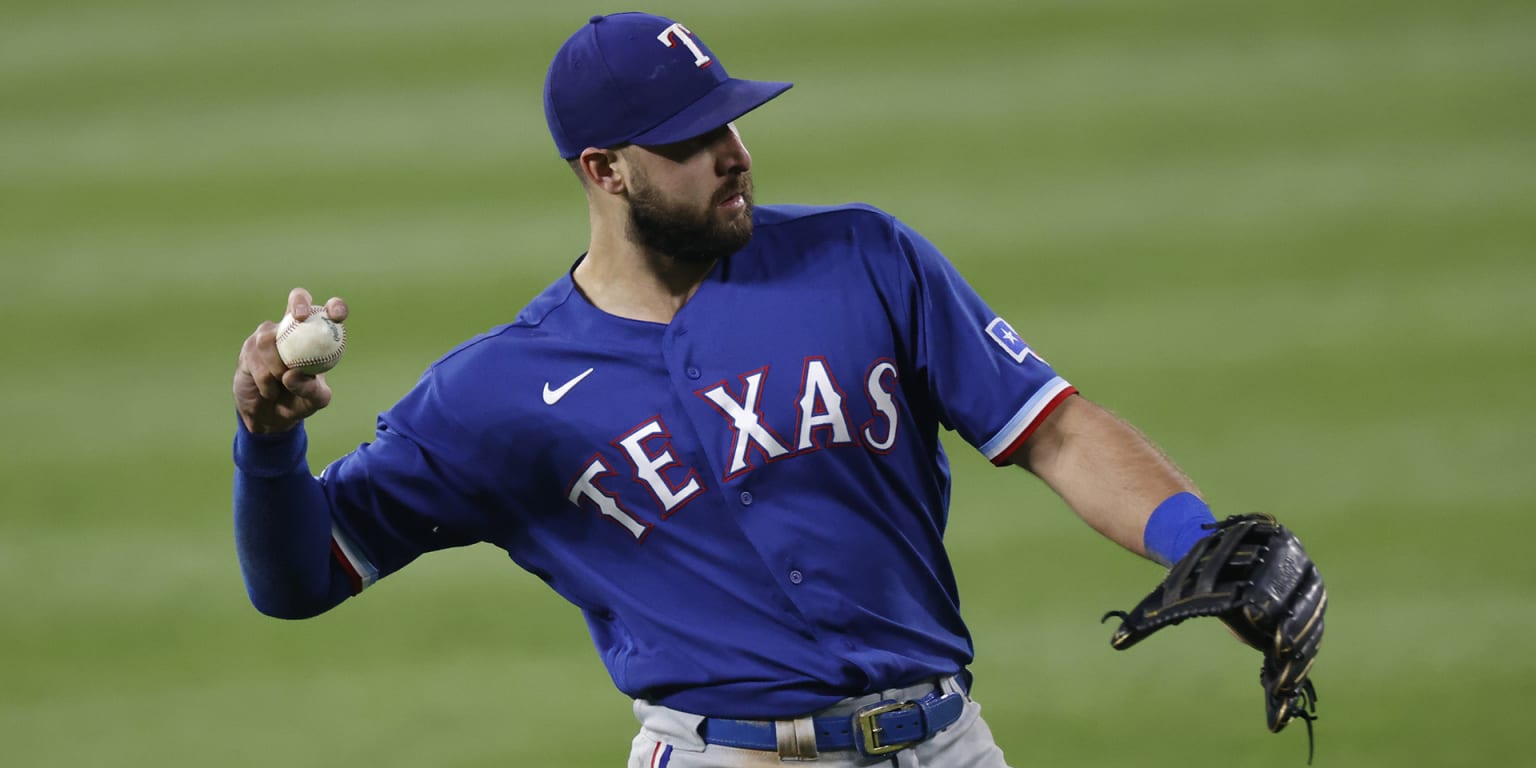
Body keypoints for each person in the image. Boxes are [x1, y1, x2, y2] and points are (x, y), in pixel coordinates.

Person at [231, 12, 1226, 767]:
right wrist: (267, 442)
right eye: (691, 142)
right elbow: (301, 578)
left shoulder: (861, 257)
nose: (735, 157)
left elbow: (1052, 430)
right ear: (605, 172)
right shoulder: (496, 392)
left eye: (732, 125)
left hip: (946, 741)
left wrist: (1199, 538)